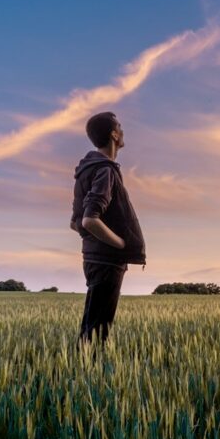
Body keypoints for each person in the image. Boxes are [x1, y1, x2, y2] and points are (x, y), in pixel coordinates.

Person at [70, 111, 146, 345]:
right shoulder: (105, 170)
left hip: (93, 257)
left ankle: (80, 373)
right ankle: (86, 376)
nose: (123, 131)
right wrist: (121, 244)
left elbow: (75, 222)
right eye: (120, 127)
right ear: (114, 134)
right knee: (98, 331)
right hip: (106, 260)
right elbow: (88, 220)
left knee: (92, 327)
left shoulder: (87, 170)